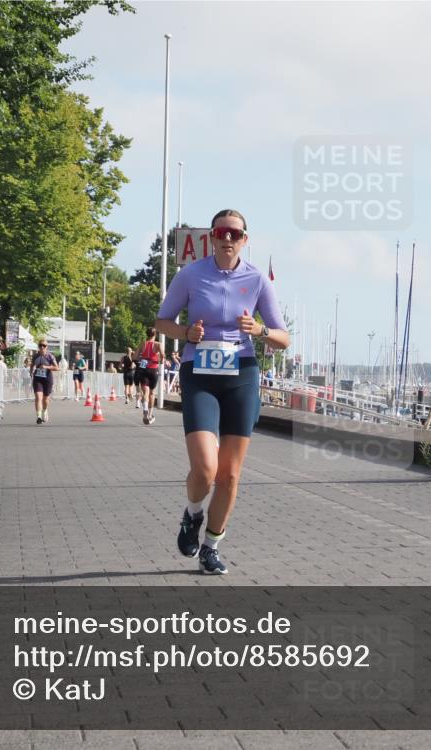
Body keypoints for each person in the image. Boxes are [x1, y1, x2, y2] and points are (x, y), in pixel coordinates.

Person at [156, 209, 289, 574]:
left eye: (235, 233)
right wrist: (186, 334)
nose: (227, 239)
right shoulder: (191, 274)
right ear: (211, 238)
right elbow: (162, 321)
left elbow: (283, 338)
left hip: (241, 374)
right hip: (199, 371)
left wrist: (259, 330)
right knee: (205, 468)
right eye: (221, 232)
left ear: (245, 239)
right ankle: (193, 514)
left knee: (229, 474)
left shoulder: (258, 279)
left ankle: (212, 546)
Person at [136, 327, 162, 425]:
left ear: (147, 334)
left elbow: (135, 357)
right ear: (155, 335)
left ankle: (145, 411)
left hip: (143, 369)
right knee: (152, 393)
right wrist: (161, 359)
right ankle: (150, 415)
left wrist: (142, 359)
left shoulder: (143, 344)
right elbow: (163, 356)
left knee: (145, 392)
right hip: (153, 369)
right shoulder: (158, 344)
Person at [31, 341, 58, 424]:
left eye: (44, 345)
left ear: (46, 347)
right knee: (38, 397)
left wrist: (46, 367)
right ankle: (38, 416)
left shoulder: (50, 356)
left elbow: (57, 368)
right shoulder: (35, 356)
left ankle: (44, 411)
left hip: (47, 379)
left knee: (45, 399)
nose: (42, 347)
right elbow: (32, 365)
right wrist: (31, 372)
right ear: (38, 347)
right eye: (40, 345)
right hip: (37, 378)